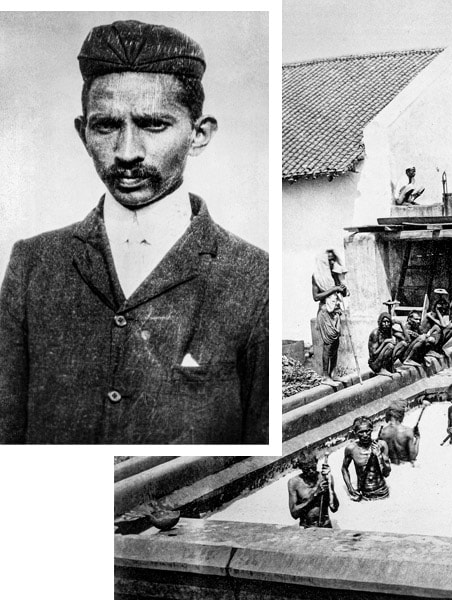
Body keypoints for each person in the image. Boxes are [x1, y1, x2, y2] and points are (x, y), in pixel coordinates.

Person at [0, 20, 268, 444]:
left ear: (199, 134)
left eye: (153, 125)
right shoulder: (32, 265)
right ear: (82, 133)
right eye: (106, 126)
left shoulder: (254, 276)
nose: (127, 152)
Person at [312, 250, 348, 382]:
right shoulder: (317, 277)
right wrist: (333, 289)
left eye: (333, 259)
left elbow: (342, 293)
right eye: (329, 260)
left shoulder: (335, 275)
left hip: (336, 313)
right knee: (328, 344)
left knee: (335, 344)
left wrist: (342, 289)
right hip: (325, 313)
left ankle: (333, 373)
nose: (332, 262)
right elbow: (316, 297)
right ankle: (325, 375)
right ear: (323, 262)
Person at [341, 416, 391, 501]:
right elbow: (344, 468)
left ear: (372, 430)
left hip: (382, 492)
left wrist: (379, 456)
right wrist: (350, 488)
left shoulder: (382, 445)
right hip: (364, 494)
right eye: (361, 432)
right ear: (355, 433)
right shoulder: (351, 449)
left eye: (367, 431)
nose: (365, 435)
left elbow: (387, 473)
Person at [288, 454, 339, 528]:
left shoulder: (325, 478)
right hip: (307, 527)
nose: (311, 471)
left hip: (325, 525)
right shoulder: (294, 482)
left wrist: (330, 484)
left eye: (313, 467)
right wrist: (314, 495)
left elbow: (334, 508)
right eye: (307, 469)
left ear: (316, 462)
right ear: (301, 468)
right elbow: (294, 514)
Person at [378, 399, 420, 465]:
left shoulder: (383, 432)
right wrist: (417, 439)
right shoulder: (407, 432)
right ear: (401, 414)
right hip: (405, 465)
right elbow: (413, 456)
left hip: (393, 466)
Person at [424, 288, 452, 356]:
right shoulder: (430, 315)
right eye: (441, 308)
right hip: (425, 338)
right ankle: (433, 349)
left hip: (430, 336)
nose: (443, 311)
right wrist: (438, 312)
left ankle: (438, 347)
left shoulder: (437, 315)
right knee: (447, 327)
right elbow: (443, 325)